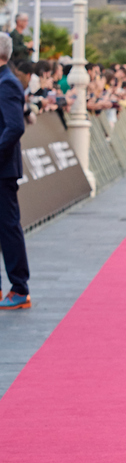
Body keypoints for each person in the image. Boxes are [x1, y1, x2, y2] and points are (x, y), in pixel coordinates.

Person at [0, 33, 31, 310]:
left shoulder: (7, 83)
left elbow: (15, 126)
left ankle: (19, 288)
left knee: (8, 228)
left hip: (3, 170)